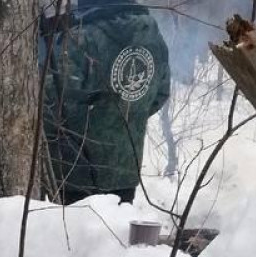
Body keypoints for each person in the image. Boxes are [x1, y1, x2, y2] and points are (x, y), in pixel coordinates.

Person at [40, 0, 171, 205]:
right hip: (125, 170)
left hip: (76, 173)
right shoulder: (151, 34)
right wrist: (127, 116)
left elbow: (52, 102)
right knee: (116, 225)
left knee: (76, 227)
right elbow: (160, 94)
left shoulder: (81, 37)